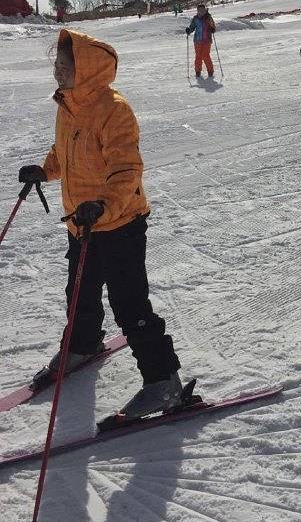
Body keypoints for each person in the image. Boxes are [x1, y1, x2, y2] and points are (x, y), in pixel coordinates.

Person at [18, 29, 182, 419]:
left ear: (86, 70)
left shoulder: (114, 109)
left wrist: (103, 205)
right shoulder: (68, 105)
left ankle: (164, 383)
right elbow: (65, 151)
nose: (57, 73)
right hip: (82, 223)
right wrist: (44, 170)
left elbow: (127, 170)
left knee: (130, 305)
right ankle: (82, 345)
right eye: (55, 66)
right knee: (80, 293)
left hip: (120, 222)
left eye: (63, 66)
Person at [186, 4, 216, 78]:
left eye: (203, 10)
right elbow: (192, 27)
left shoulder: (208, 18)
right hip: (197, 40)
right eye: (199, 10)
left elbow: (213, 26)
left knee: (205, 55)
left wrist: (212, 29)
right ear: (197, 11)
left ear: (205, 10)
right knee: (198, 56)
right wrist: (189, 30)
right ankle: (198, 71)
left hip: (207, 40)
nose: (201, 12)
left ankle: (210, 70)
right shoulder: (195, 18)